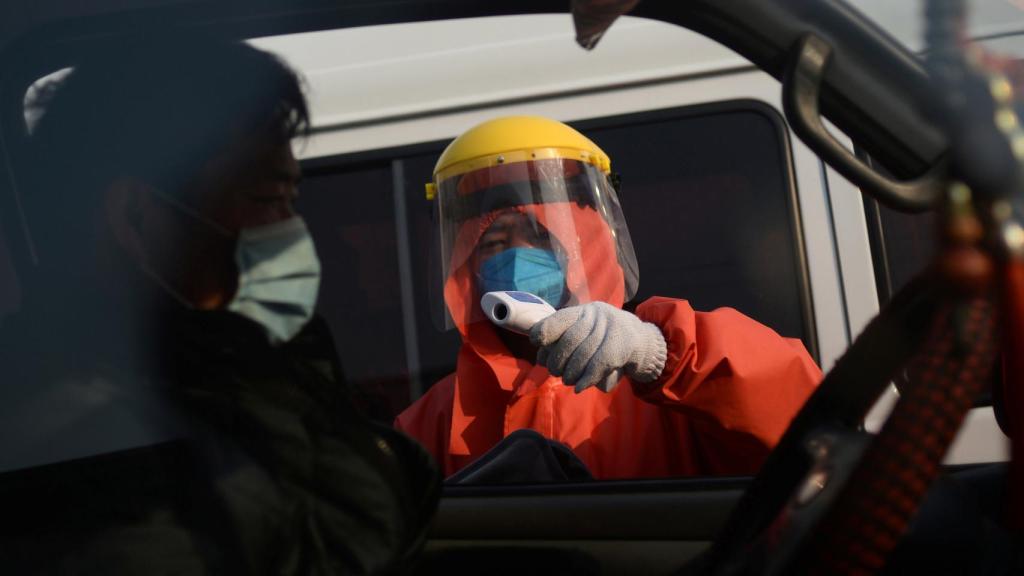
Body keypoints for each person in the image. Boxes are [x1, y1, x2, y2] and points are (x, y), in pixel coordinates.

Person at [0, 34, 438, 574]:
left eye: (291, 200)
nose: (291, 229)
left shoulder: (212, 370)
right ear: (136, 218)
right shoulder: (76, 438)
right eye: (264, 200)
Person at [395, 115, 821, 479]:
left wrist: (664, 357)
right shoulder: (435, 419)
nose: (517, 255)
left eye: (541, 236)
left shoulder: (657, 383)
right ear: (465, 263)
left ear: (587, 245)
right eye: (494, 242)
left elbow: (804, 428)